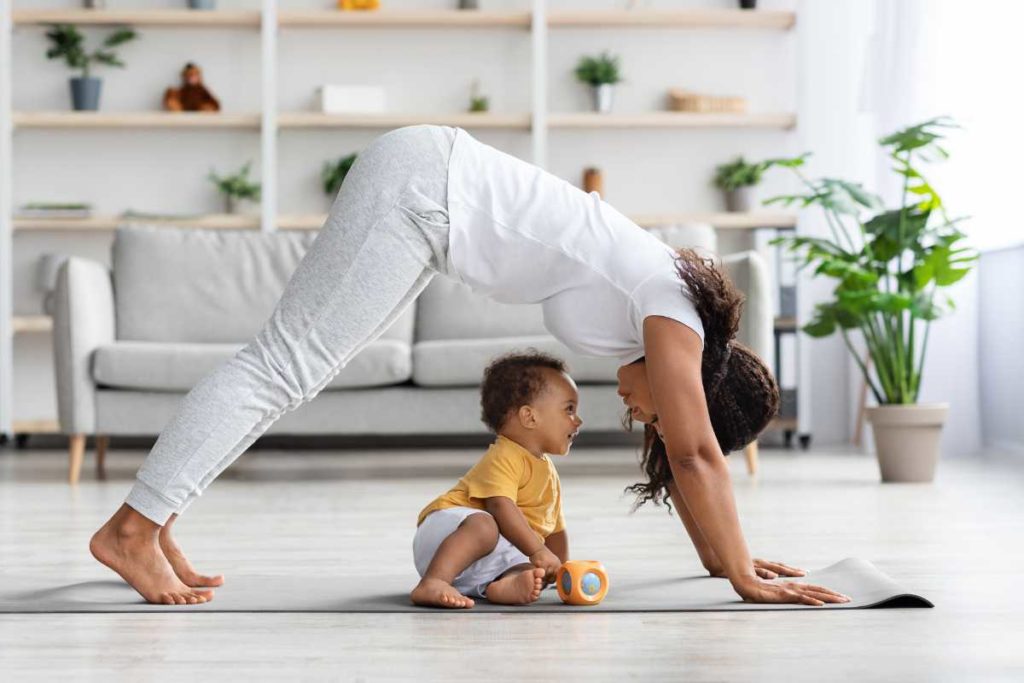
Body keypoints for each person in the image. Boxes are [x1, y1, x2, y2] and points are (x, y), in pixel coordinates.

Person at [90, 124, 849, 607]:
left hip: (430, 205)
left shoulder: (662, 324)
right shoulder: (673, 311)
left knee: (294, 372)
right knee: (282, 366)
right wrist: (748, 579)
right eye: (653, 410)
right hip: (424, 191)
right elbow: (694, 452)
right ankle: (132, 528)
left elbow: (680, 460)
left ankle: (155, 523)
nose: (637, 413)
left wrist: (728, 560)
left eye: (646, 416)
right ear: (699, 387)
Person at [411, 351, 578, 609]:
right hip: (447, 535)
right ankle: (434, 581)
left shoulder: (547, 471)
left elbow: (554, 527)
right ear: (529, 417)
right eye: (569, 409)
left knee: (527, 569)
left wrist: (559, 569)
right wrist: (538, 551)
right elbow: (500, 506)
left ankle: (503, 586)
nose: (577, 421)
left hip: (479, 559)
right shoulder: (505, 455)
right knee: (485, 525)